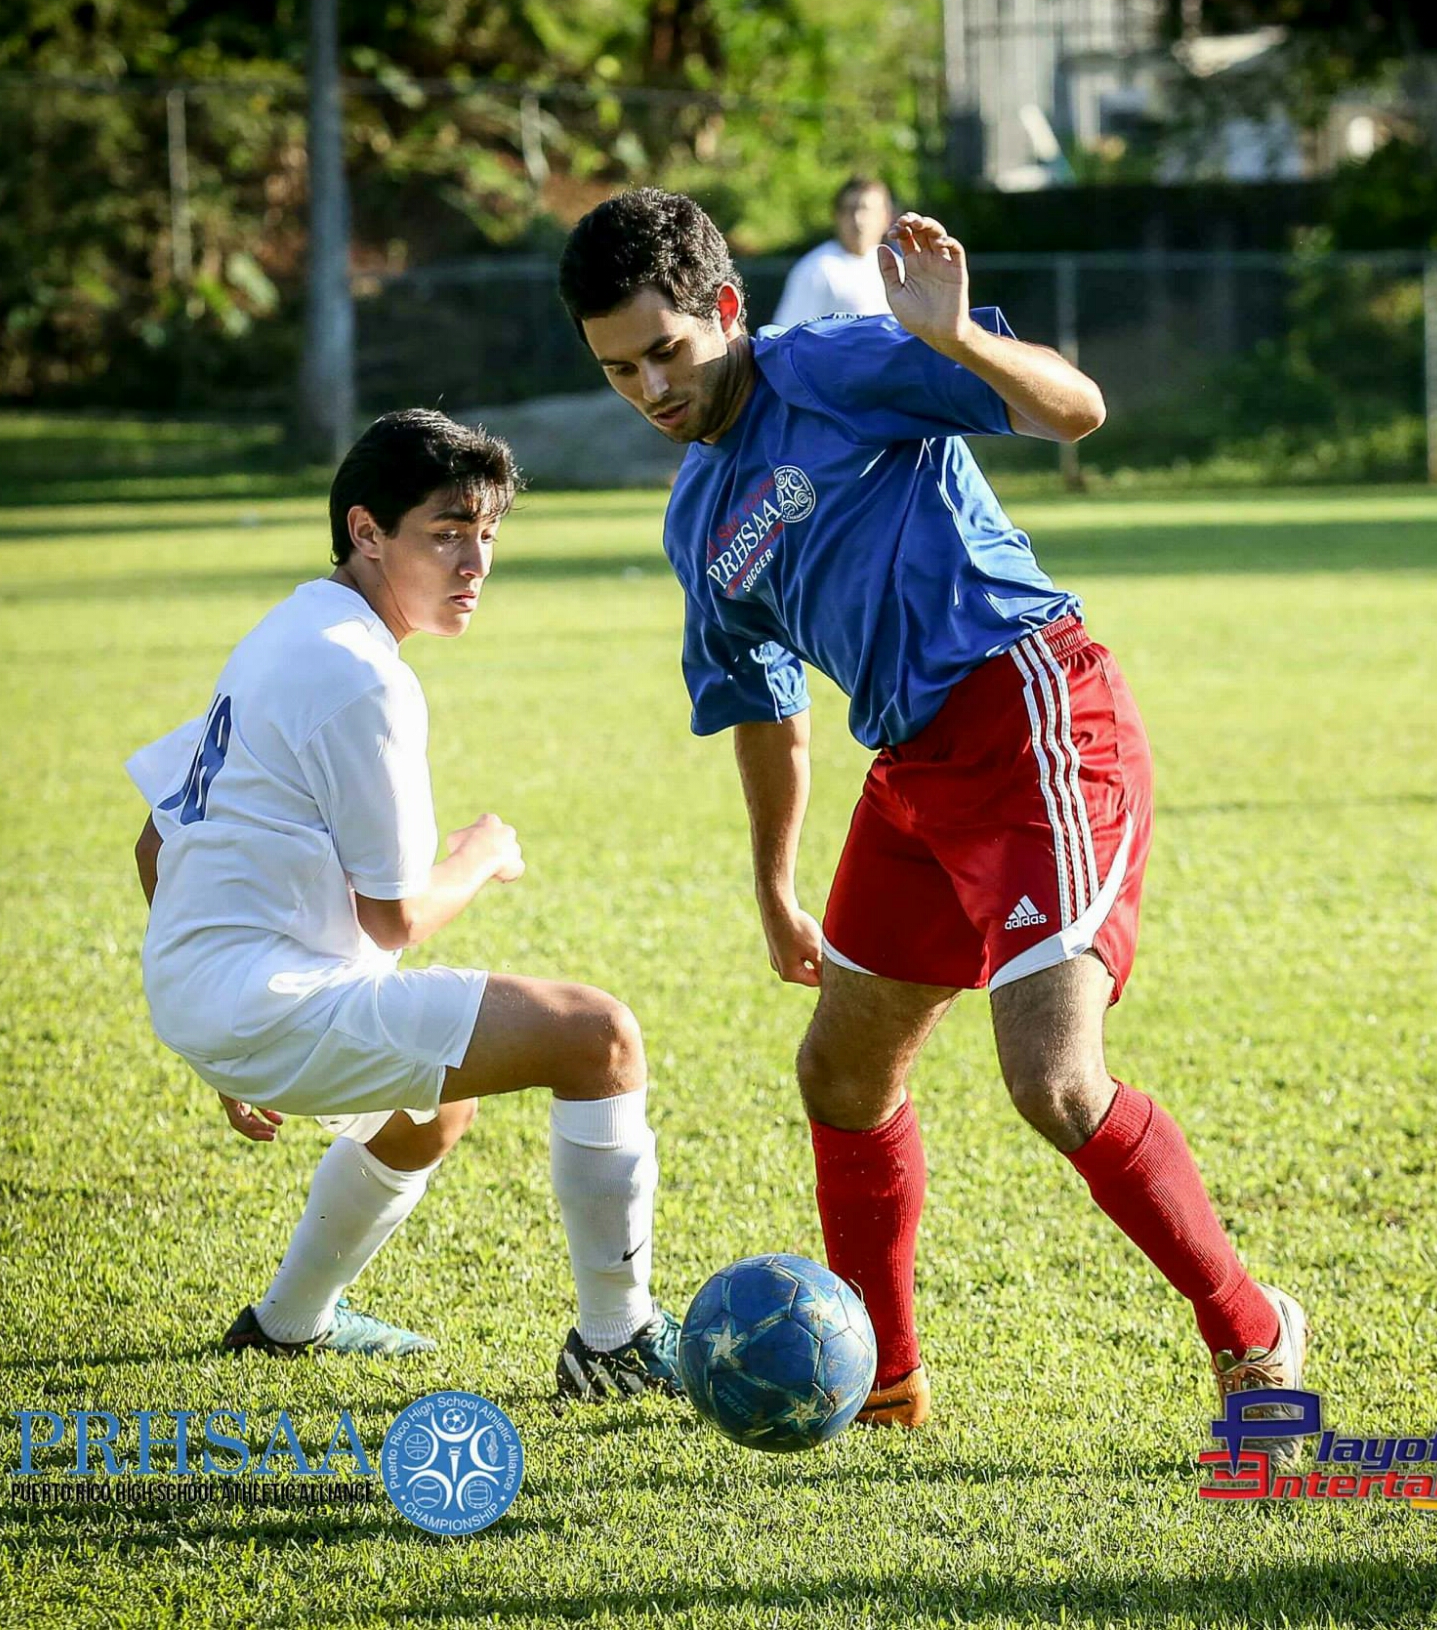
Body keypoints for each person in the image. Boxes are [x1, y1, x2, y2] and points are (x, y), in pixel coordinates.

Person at [556, 190, 1307, 1452]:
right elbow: (762, 705)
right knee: (839, 1075)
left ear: (725, 312)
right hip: (910, 764)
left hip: (1030, 712)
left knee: (1054, 1082)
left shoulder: (838, 366)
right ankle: (884, 1388)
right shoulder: (695, 521)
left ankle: (1252, 1334)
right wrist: (771, 884)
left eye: (665, 352)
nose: (648, 388)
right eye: (618, 368)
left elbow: (1075, 409)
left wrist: (955, 338)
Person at [126, 408, 681, 1401]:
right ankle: (617, 1344)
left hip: (207, 991)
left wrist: (211, 1010)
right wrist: (479, 853)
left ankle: (285, 1326)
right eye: (446, 531)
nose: (474, 561)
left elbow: (155, 840)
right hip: (258, 1001)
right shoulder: (360, 676)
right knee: (599, 1037)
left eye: (487, 534)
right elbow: (395, 920)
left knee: (431, 1108)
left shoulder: (291, 626)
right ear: (365, 531)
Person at [768, 176, 894, 328]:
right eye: (850, 210)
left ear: (886, 218)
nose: (858, 219)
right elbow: (787, 337)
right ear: (836, 217)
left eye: (866, 210)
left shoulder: (896, 267)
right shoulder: (817, 270)